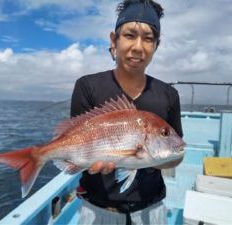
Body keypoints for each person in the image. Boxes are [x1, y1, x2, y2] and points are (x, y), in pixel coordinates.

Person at [70, 0, 183, 224]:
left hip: (151, 210)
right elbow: (76, 140)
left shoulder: (169, 94)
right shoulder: (87, 86)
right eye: (130, 35)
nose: (138, 47)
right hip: (98, 210)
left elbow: (176, 155)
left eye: (148, 39)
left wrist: (150, 155)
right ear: (114, 40)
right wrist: (87, 160)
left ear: (156, 45)